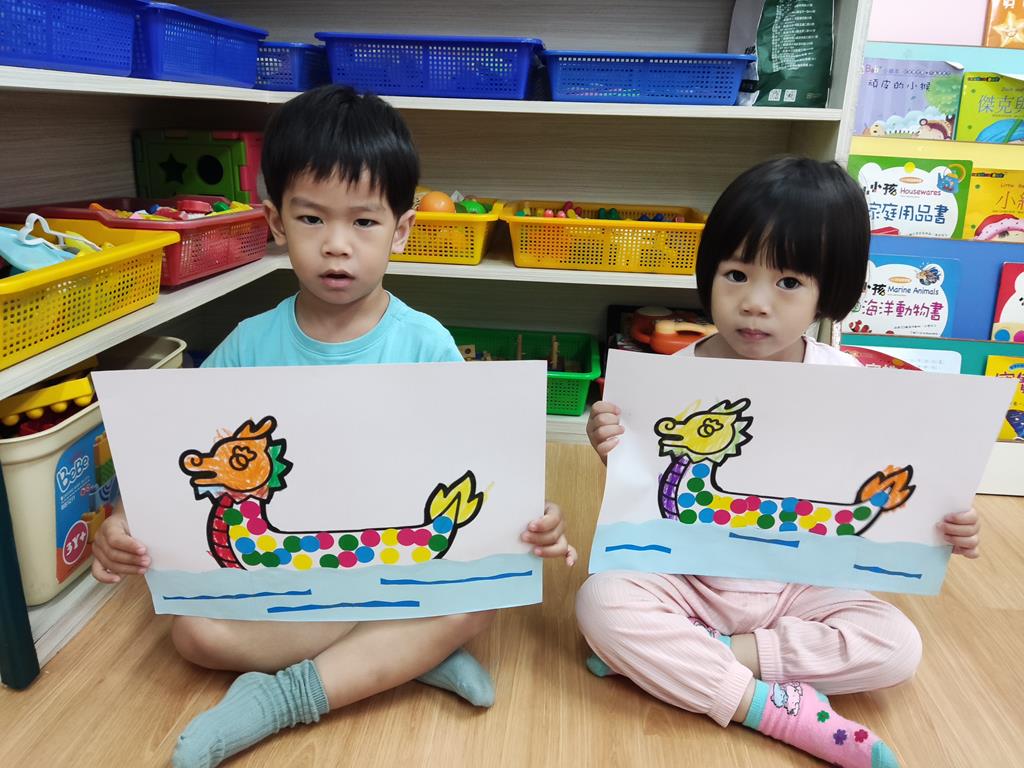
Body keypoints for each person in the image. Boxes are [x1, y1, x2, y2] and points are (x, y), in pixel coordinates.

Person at [92, 85, 575, 768]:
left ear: (402, 230)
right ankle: (399, 657)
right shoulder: (247, 345)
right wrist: (122, 521)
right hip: (300, 577)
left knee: (476, 606)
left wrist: (533, 516)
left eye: (365, 222)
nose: (337, 246)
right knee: (193, 634)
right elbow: (175, 454)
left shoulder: (426, 344)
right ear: (275, 222)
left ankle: (281, 699)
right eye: (312, 218)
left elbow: (481, 465)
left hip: (390, 564)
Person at [577, 157, 980, 767]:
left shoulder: (851, 383)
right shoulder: (669, 380)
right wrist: (611, 446)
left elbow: (903, 485)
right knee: (600, 601)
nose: (755, 303)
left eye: (788, 282)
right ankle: (776, 710)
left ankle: (701, 657)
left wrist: (948, 521)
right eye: (736, 274)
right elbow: (651, 496)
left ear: (829, 290)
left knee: (898, 645)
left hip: (802, 584)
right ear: (709, 272)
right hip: (690, 580)